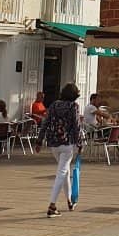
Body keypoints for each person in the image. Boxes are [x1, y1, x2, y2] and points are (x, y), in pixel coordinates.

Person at [36, 82, 84, 217]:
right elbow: (76, 125)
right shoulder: (73, 106)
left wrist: (39, 140)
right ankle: (52, 205)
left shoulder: (54, 105)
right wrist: (79, 143)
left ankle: (69, 200)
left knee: (65, 171)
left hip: (53, 143)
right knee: (62, 172)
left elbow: (45, 122)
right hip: (67, 143)